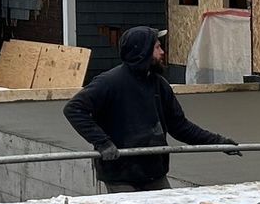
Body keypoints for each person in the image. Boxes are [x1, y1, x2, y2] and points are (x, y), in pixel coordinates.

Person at [62, 26, 237, 191]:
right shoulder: (109, 82)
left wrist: (219, 142)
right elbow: (74, 109)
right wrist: (102, 142)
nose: (162, 52)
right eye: (157, 47)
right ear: (142, 52)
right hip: (120, 174)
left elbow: (180, 127)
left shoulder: (159, 85)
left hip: (153, 171)